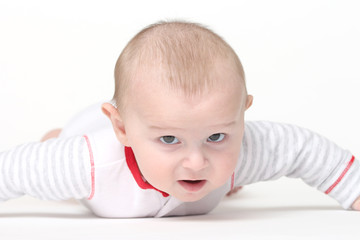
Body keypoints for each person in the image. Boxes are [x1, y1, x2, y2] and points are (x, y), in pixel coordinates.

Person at [1, 21, 360, 218]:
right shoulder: (88, 163)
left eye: (217, 137)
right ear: (123, 128)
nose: (197, 161)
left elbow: (306, 151)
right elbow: (11, 171)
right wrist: (58, 146)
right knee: (51, 156)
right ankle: (55, 135)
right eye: (170, 140)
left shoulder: (247, 148)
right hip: (85, 132)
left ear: (241, 115)